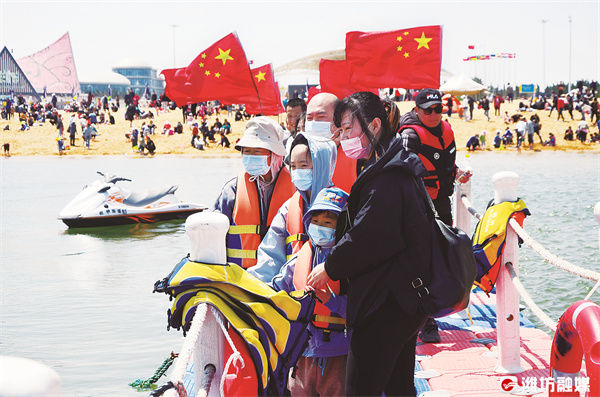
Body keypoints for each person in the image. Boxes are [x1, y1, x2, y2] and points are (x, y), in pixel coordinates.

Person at [306, 91, 431, 396]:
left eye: (349, 128)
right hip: (403, 300)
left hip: (383, 304)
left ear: (374, 126)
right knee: (399, 387)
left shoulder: (387, 175)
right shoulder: (393, 164)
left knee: (361, 389)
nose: (343, 136)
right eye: (341, 129)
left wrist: (330, 267)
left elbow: (370, 236)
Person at [272, 187, 350, 397]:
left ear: (342, 225)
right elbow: (276, 292)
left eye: (328, 223)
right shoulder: (298, 260)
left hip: (339, 353)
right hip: (303, 353)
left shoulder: (352, 265)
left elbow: (362, 310)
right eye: (315, 222)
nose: (319, 227)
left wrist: (331, 301)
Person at [398, 88, 458, 344]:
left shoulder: (446, 130)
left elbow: (449, 162)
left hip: (442, 202)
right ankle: (425, 321)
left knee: (442, 256)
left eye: (438, 109)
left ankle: (435, 308)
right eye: (428, 110)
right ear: (417, 110)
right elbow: (401, 170)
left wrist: (458, 173)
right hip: (418, 206)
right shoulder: (409, 135)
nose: (434, 115)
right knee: (421, 260)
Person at [249, 133, 337, 283]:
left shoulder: (341, 207)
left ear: (320, 166)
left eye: (304, 166)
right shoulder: (288, 209)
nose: (297, 172)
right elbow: (270, 255)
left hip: (332, 297)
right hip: (293, 294)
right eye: (294, 167)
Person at [212, 116, 296, 269]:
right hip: (241, 278)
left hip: (284, 277)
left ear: (275, 154)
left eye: (257, 151)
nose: (251, 156)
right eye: (247, 152)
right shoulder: (232, 189)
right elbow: (215, 234)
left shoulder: (297, 186)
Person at [302, 92, 357, 194]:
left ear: (339, 119)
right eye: (309, 118)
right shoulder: (300, 156)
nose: (314, 122)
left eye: (321, 117)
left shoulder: (357, 157)